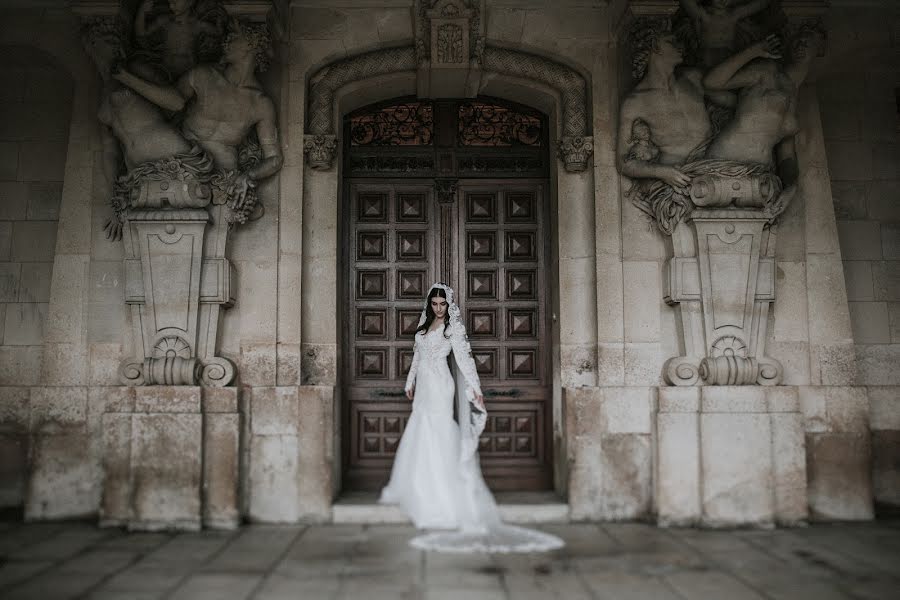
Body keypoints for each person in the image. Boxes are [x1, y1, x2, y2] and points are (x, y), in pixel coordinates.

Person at [379, 283, 564, 553]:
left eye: (443, 304)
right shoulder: (422, 329)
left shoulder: (452, 329)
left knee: (440, 428)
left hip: (442, 386)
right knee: (421, 427)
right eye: (434, 304)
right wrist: (409, 382)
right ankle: (418, 487)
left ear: (448, 305)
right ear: (429, 305)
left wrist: (475, 389)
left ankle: (444, 493)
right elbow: (417, 357)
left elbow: (465, 360)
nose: (438, 308)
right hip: (424, 388)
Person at [113, 18, 283, 223]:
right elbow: (173, 101)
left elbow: (274, 158)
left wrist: (250, 175)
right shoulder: (204, 75)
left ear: (251, 45)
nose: (226, 41)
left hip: (221, 174)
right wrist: (127, 78)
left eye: (234, 37)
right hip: (182, 158)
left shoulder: (261, 103)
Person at [680, 0, 771, 66]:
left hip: (729, 54)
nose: (722, 1)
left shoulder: (734, 15)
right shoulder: (704, 16)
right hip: (707, 54)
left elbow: (761, 4)